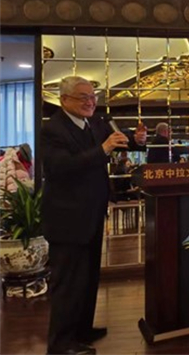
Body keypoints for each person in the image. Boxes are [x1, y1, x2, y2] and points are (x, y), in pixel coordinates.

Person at [41, 76, 146, 355]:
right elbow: (62, 166)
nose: (90, 102)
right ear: (64, 100)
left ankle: (82, 330)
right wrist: (103, 149)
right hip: (67, 219)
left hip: (92, 214)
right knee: (68, 283)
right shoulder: (52, 129)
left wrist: (136, 141)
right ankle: (60, 344)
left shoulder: (94, 123)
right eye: (83, 97)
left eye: (92, 96)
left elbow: (120, 142)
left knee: (88, 279)